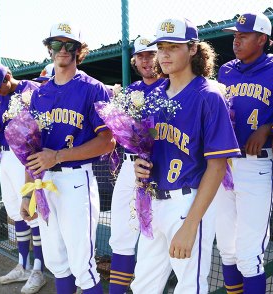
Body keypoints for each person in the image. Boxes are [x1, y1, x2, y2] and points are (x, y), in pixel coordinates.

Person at [132, 17, 240, 293]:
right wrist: (140, 165)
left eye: (173, 46)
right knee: (143, 285)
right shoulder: (154, 94)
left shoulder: (209, 94)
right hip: (154, 201)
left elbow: (217, 166)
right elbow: (149, 147)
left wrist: (191, 225)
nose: (164, 54)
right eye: (160, 47)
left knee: (189, 287)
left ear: (192, 49)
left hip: (188, 201)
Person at [20, 20, 115, 294]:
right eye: (56, 44)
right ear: (48, 49)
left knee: (82, 266)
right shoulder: (40, 93)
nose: (62, 50)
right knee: (57, 263)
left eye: (69, 45)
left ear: (78, 50)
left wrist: (59, 156)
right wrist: (27, 194)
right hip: (45, 183)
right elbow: (31, 149)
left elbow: (107, 142)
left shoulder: (93, 88)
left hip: (76, 181)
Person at [214, 12, 273, 293]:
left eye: (244, 35)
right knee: (226, 248)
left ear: (262, 39)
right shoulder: (225, 70)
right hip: (223, 165)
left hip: (257, 162)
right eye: (235, 35)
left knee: (249, 253)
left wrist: (268, 127)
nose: (236, 41)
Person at [0, 62, 45, 294]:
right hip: (6, 157)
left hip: (25, 157)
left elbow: (41, 122)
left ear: (8, 76)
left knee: (32, 211)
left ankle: (38, 268)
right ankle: (23, 265)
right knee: (15, 211)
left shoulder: (29, 88)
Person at [108, 36, 165, 294]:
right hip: (130, 168)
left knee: (156, 238)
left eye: (150, 54)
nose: (146, 60)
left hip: (162, 169)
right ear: (135, 60)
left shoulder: (172, 87)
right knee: (121, 235)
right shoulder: (129, 93)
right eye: (141, 56)